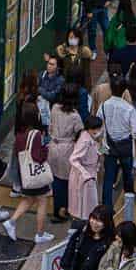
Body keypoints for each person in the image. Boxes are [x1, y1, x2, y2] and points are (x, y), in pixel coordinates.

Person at [2, 103, 55, 244]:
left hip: (26, 175)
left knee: (29, 199)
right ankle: (40, 234)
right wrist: (46, 149)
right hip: (36, 175)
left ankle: (11, 222)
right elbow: (38, 157)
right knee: (42, 201)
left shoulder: (20, 134)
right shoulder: (36, 134)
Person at [99, 76, 136, 208]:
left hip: (108, 146)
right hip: (125, 146)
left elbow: (99, 125)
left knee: (108, 177)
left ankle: (107, 206)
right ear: (124, 90)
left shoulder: (103, 106)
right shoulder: (129, 109)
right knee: (127, 173)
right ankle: (129, 197)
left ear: (111, 89)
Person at [47, 84, 83, 225]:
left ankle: (57, 210)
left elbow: (50, 125)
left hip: (53, 147)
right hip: (67, 149)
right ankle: (64, 210)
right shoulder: (75, 116)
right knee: (67, 181)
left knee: (56, 180)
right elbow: (80, 133)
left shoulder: (55, 108)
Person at [60, 205, 115, 270]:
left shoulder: (109, 244)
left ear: (107, 223)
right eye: (93, 218)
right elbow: (70, 249)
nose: (94, 223)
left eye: (99, 221)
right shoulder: (82, 233)